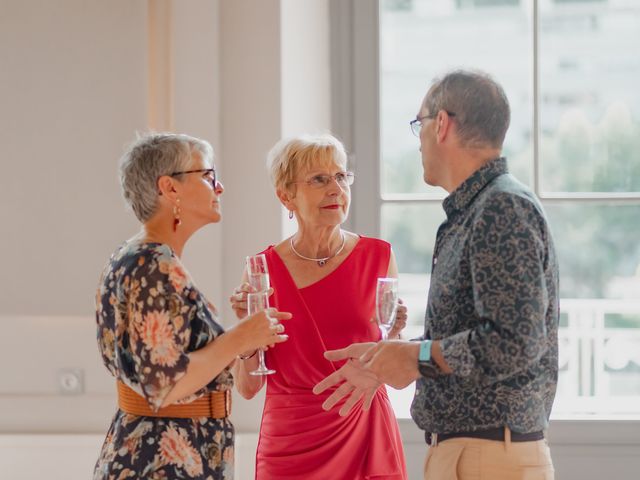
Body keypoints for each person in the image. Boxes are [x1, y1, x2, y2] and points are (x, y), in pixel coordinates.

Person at [314, 70, 559, 480]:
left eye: (420, 126)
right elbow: (479, 338)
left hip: (489, 458)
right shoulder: (477, 210)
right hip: (472, 453)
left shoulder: (500, 209)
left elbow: (513, 342)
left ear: (442, 124)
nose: (420, 141)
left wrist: (417, 356)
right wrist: (388, 359)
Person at [93, 133, 291, 480]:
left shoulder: (142, 257)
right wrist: (240, 338)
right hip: (160, 459)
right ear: (170, 189)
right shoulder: (150, 264)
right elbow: (165, 384)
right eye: (206, 175)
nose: (219, 187)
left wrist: (243, 336)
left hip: (165, 451)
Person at [229, 134, 408, 479]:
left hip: (365, 433)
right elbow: (248, 388)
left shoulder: (379, 257)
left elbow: (395, 365)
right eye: (319, 179)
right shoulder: (262, 270)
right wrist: (247, 336)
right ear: (286, 196)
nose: (335, 189)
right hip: (289, 444)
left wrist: (396, 333)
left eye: (341, 177)